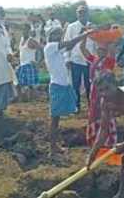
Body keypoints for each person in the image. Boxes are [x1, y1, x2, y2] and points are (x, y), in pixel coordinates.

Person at [44, 26, 96, 155]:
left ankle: (54, 146)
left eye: (59, 34)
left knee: (57, 118)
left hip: (63, 85)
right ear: (50, 36)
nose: (58, 36)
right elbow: (70, 43)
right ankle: (53, 148)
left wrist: (81, 35)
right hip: (57, 86)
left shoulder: (56, 49)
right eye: (55, 34)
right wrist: (85, 34)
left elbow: (70, 46)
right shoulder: (50, 46)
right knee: (54, 118)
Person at [78, 36, 117, 148]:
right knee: (94, 112)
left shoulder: (109, 61)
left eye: (103, 50)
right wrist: (84, 36)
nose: (101, 52)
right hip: (94, 90)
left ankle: (107, 140)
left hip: (105, 91)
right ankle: (94, 137)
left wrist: (111, 38)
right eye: (99, 49)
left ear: (106, 51)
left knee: (105, 112)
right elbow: (82, 49)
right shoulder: (94, 59)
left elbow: (113, 50)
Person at [63, 4, 97, 113]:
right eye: (80, 12)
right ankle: (76, 106)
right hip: (75, 60)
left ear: (88, 14)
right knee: (75, 85)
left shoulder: (93, 27)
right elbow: (67, 43)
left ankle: (91, 107)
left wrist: (96, 60)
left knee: (89, 85)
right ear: (77, 14)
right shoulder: (71, 27)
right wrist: (67, 59)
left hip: (89, 60)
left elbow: (96, 44)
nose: (82, 14)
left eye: (84, 12)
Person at [16, 24, 43, 101]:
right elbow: (20, 51)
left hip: (29, 65)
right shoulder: (21, 40)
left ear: (29, 31)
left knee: (31, 86)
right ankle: (25, 99)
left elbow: (41, 49)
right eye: (23, 30)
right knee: (19, 84)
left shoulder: (31, 40)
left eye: (26, 30)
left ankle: (34, 100)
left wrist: (38, 62)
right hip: (22, 65)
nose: (24, 31)